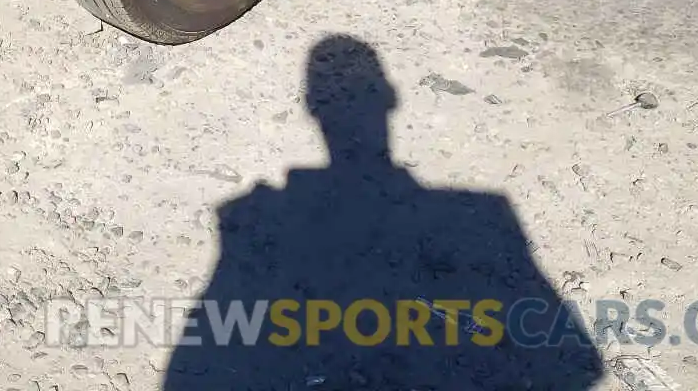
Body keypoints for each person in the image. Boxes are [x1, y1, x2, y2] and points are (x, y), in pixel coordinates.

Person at [165, 35, 604, 389]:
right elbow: (581, 362)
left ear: (311, 107)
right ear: (392, 100)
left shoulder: (250, 216)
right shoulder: (486, 212)